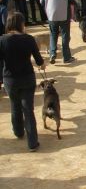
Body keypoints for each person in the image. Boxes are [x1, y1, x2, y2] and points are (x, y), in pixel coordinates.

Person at [0, 12, 45, 151]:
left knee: (15, 106)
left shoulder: (2, 40)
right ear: (21, 24)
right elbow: (38, 60)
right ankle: (32, 143)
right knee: (28, 109)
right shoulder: (29, 39)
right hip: (27, 78)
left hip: (10, 79)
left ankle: (18, 132)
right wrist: (42, 65)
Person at [40, 0, 80, 64]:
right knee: (65, 35)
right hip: (64, 14)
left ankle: (52, 54)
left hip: (51, 14)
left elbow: (41, 1)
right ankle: (66, 57)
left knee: (53, 34)